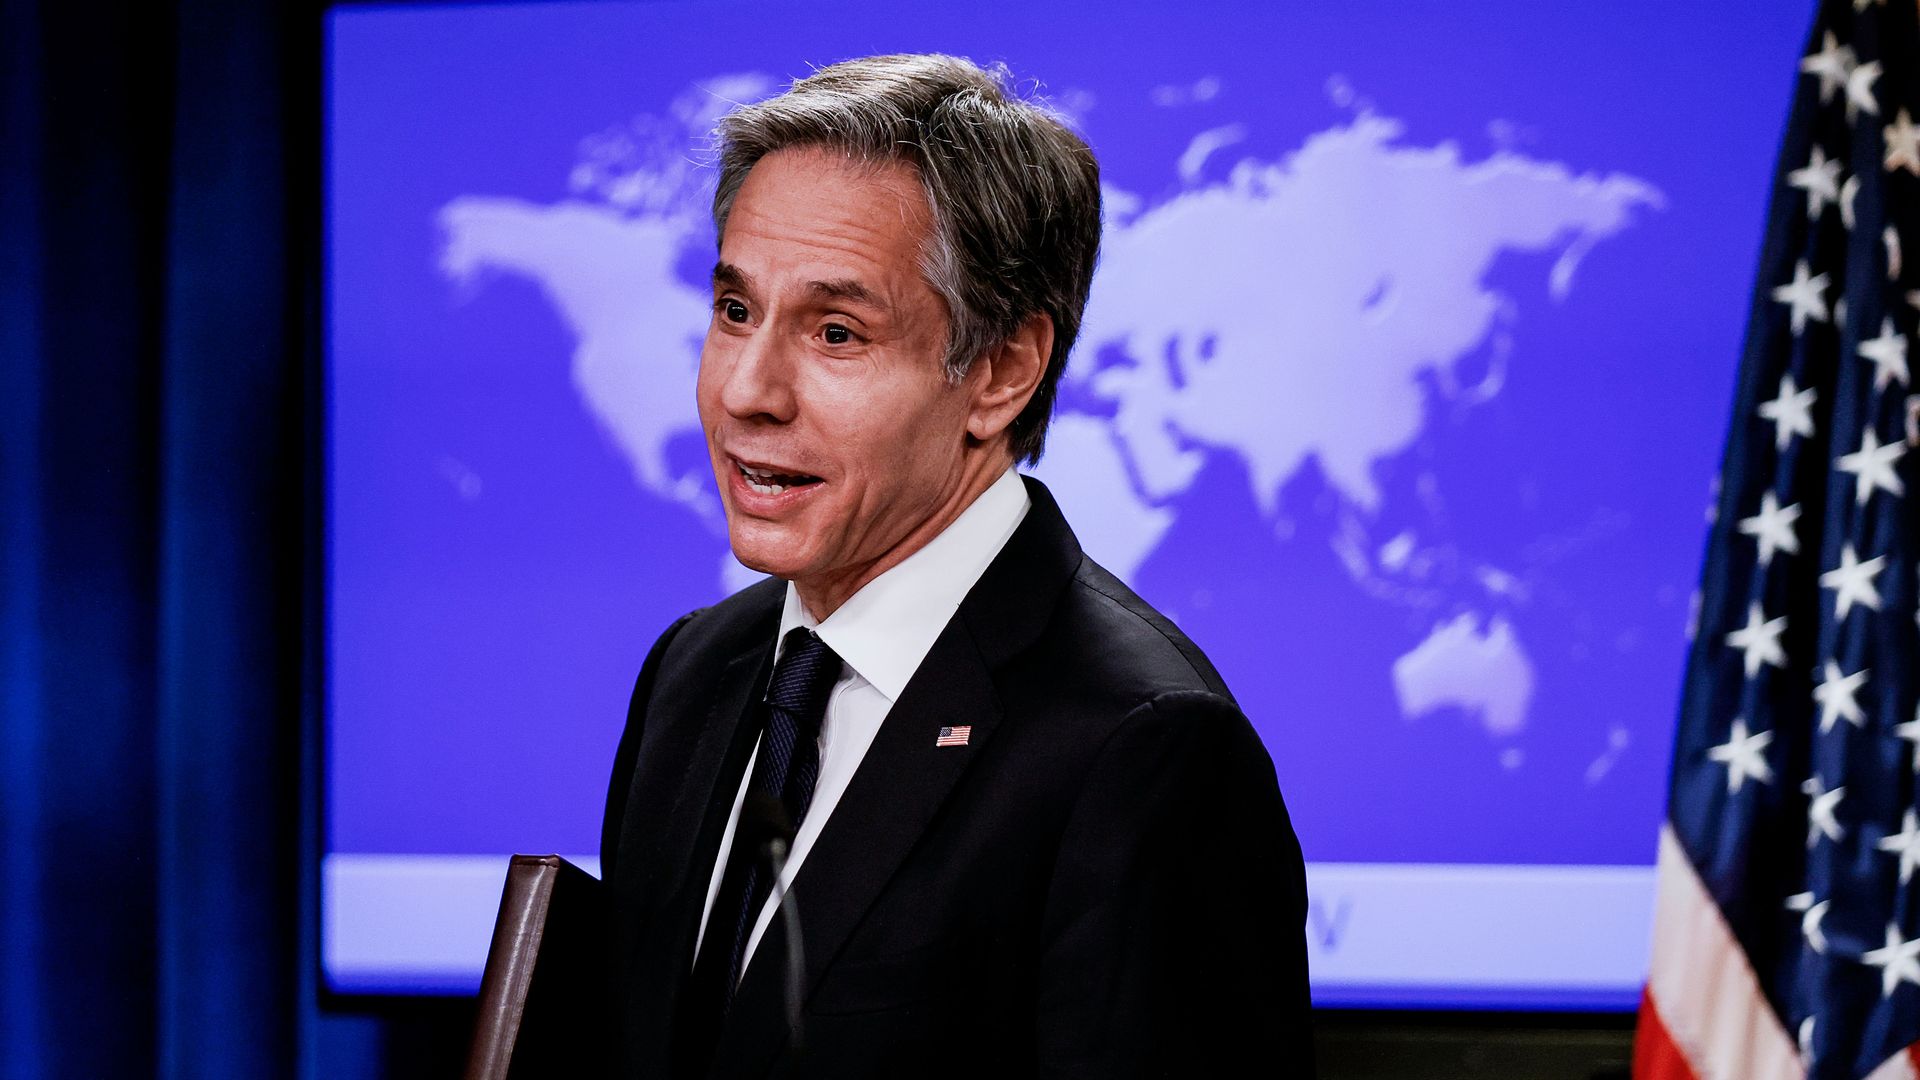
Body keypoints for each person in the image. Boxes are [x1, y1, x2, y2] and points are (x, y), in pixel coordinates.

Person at [599, 53, 1313, 1079]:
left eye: (836, 332)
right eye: (736, 311)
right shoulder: (694, 673)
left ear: (1002, 372)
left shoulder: (1144, 756)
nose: (749, 390)